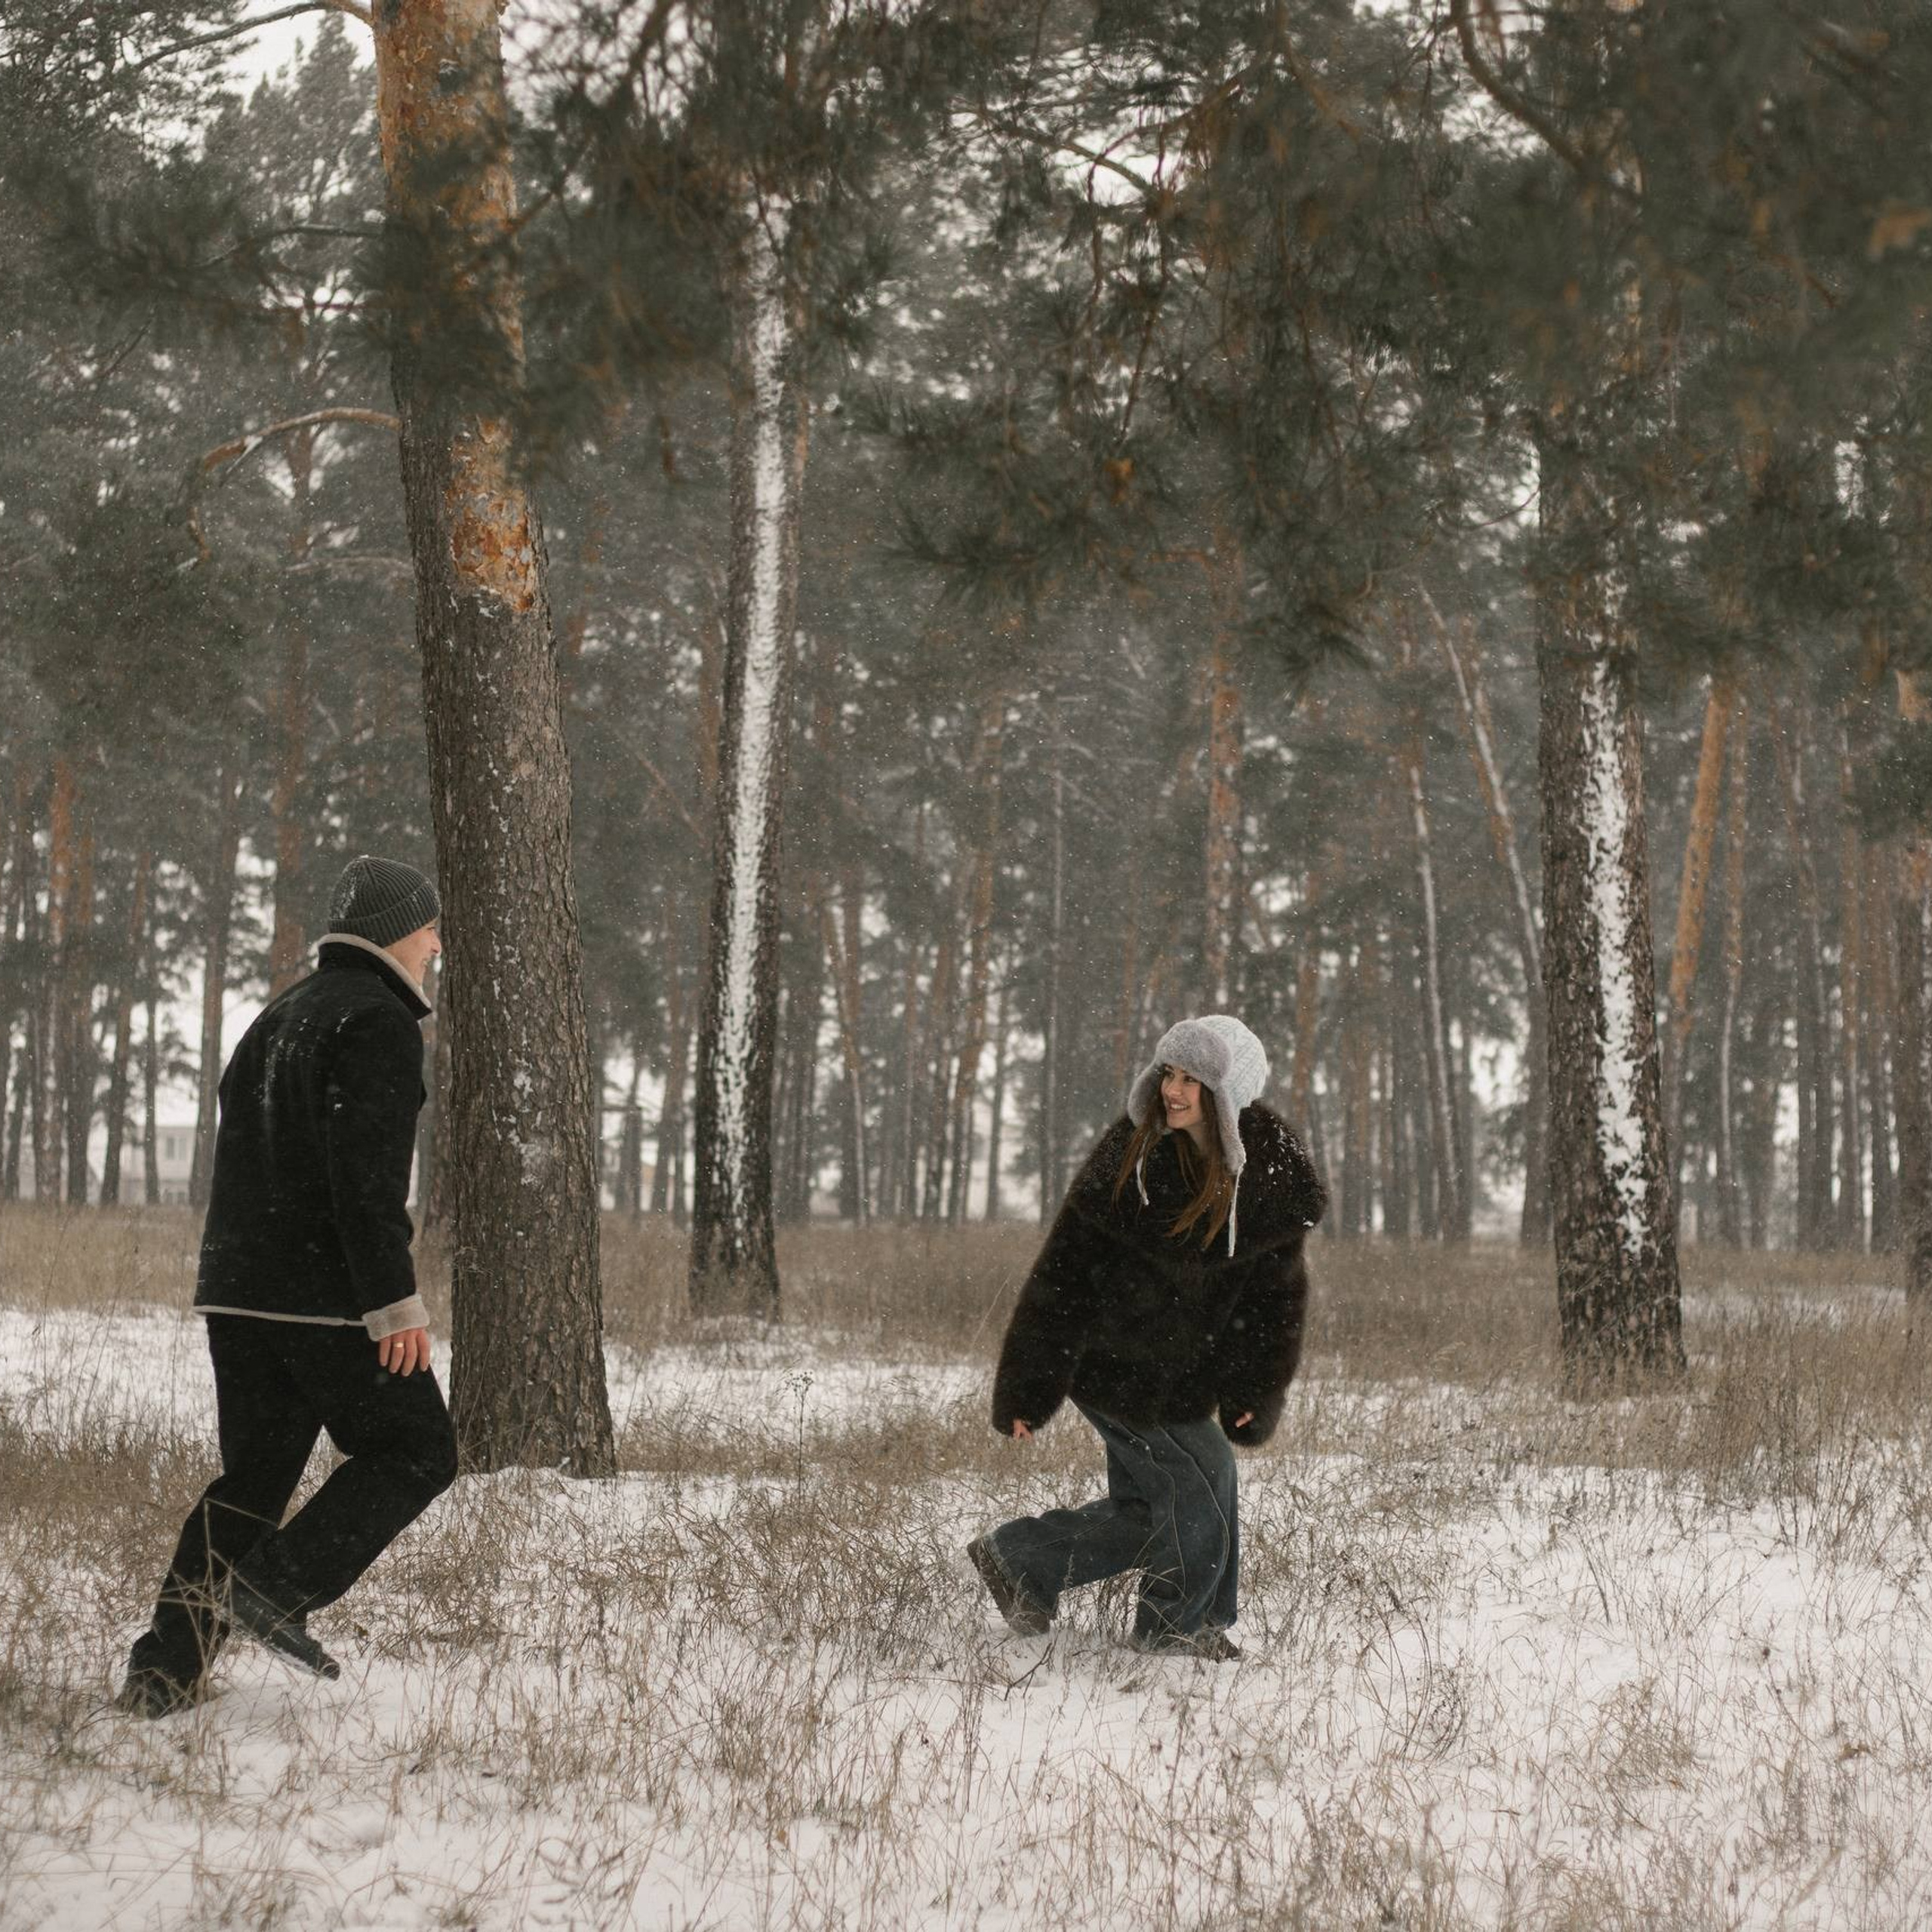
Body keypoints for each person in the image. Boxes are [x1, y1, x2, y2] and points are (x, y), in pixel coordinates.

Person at [117, 855, 460, 1718]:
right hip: (327, 1298)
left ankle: (164, 1674)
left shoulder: (277, 1016)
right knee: (417, 1449)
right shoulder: (378, 1022)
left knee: (254, 1480)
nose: (436, 944)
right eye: (428, 927)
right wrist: (394, 1304)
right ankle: (274, 1587)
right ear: (394, 931)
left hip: (237, 1292)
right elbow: (365, 1184)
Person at [968, 1014, 1325, 1659]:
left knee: (1149, 1510)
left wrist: (1253, 1390)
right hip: (1113, 1366)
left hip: (1185, 1372)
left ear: (1230, 1092)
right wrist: (1029, 1386)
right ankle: (1177, 1628)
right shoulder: (1127, 1155)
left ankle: (1024, 1560)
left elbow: (1275, 1305)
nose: (1175, 1091)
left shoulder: (1267, 1180)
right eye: (1169, 1073)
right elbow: (1062, 1277)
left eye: (1194, 1079)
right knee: (1203, 1477)